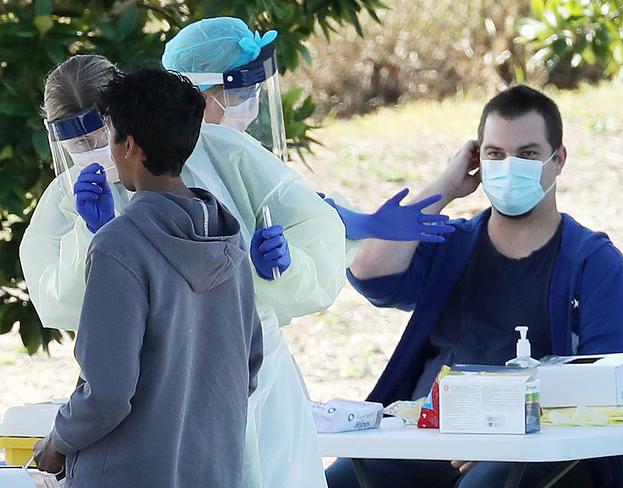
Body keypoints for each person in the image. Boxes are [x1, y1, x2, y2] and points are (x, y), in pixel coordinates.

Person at [21, 27, 454, 488]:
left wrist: (284, 270)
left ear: (126, 128)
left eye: (101, 135)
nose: (97, 153)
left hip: (249, 393)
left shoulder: (221, 151)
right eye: (78, 143)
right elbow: (63, 307)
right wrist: (90, 236)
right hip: (170, 398)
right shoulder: (68, 202)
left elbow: (307, 219)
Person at [326, 85, 623, 488]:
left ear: (558, 160)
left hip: (548, 448)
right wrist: (446, 185)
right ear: (478, 161)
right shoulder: (451, 245)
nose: (510, 167)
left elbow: (612, 389)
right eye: (496, 154)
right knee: (338, 480)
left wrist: (501, 431)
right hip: (436, 438)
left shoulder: (597, 266)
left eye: (528, 155)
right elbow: (369, 271)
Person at [32, 68, 263, 488]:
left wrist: (57, 443)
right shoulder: (228, 238)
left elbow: (106, 393)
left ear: (130, 145)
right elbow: (247, 368)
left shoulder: (119, 246)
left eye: (110, 134)